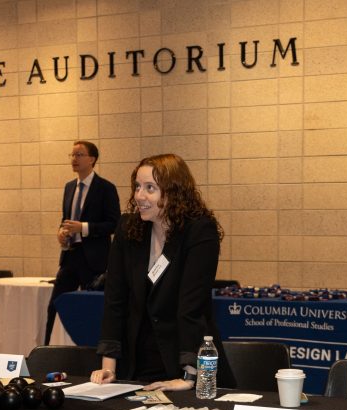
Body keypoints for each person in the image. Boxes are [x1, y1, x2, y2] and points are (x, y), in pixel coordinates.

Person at [90, 153, 233, 391]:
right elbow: (115, 300)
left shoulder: (199, 232)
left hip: (183, 359)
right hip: (135, 362)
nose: (139, 196)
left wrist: (189, 377)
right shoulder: (128, 229)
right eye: (137, 187)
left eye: (150, 188)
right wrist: (109, 367)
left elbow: (192, 308)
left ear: (173, 192)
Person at [43, 140, 121, 344]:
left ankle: (96, 351)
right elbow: (66, 219)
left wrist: (83, 228)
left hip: (94, 260)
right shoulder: (69, 187)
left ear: (92, 159)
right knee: (55, 305)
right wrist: (62, 232)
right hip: (70, 256)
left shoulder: (105, 188)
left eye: (79, 155)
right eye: (72, 155)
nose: (74, 159)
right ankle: (45, 349)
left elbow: (114, 224)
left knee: (94, 309)